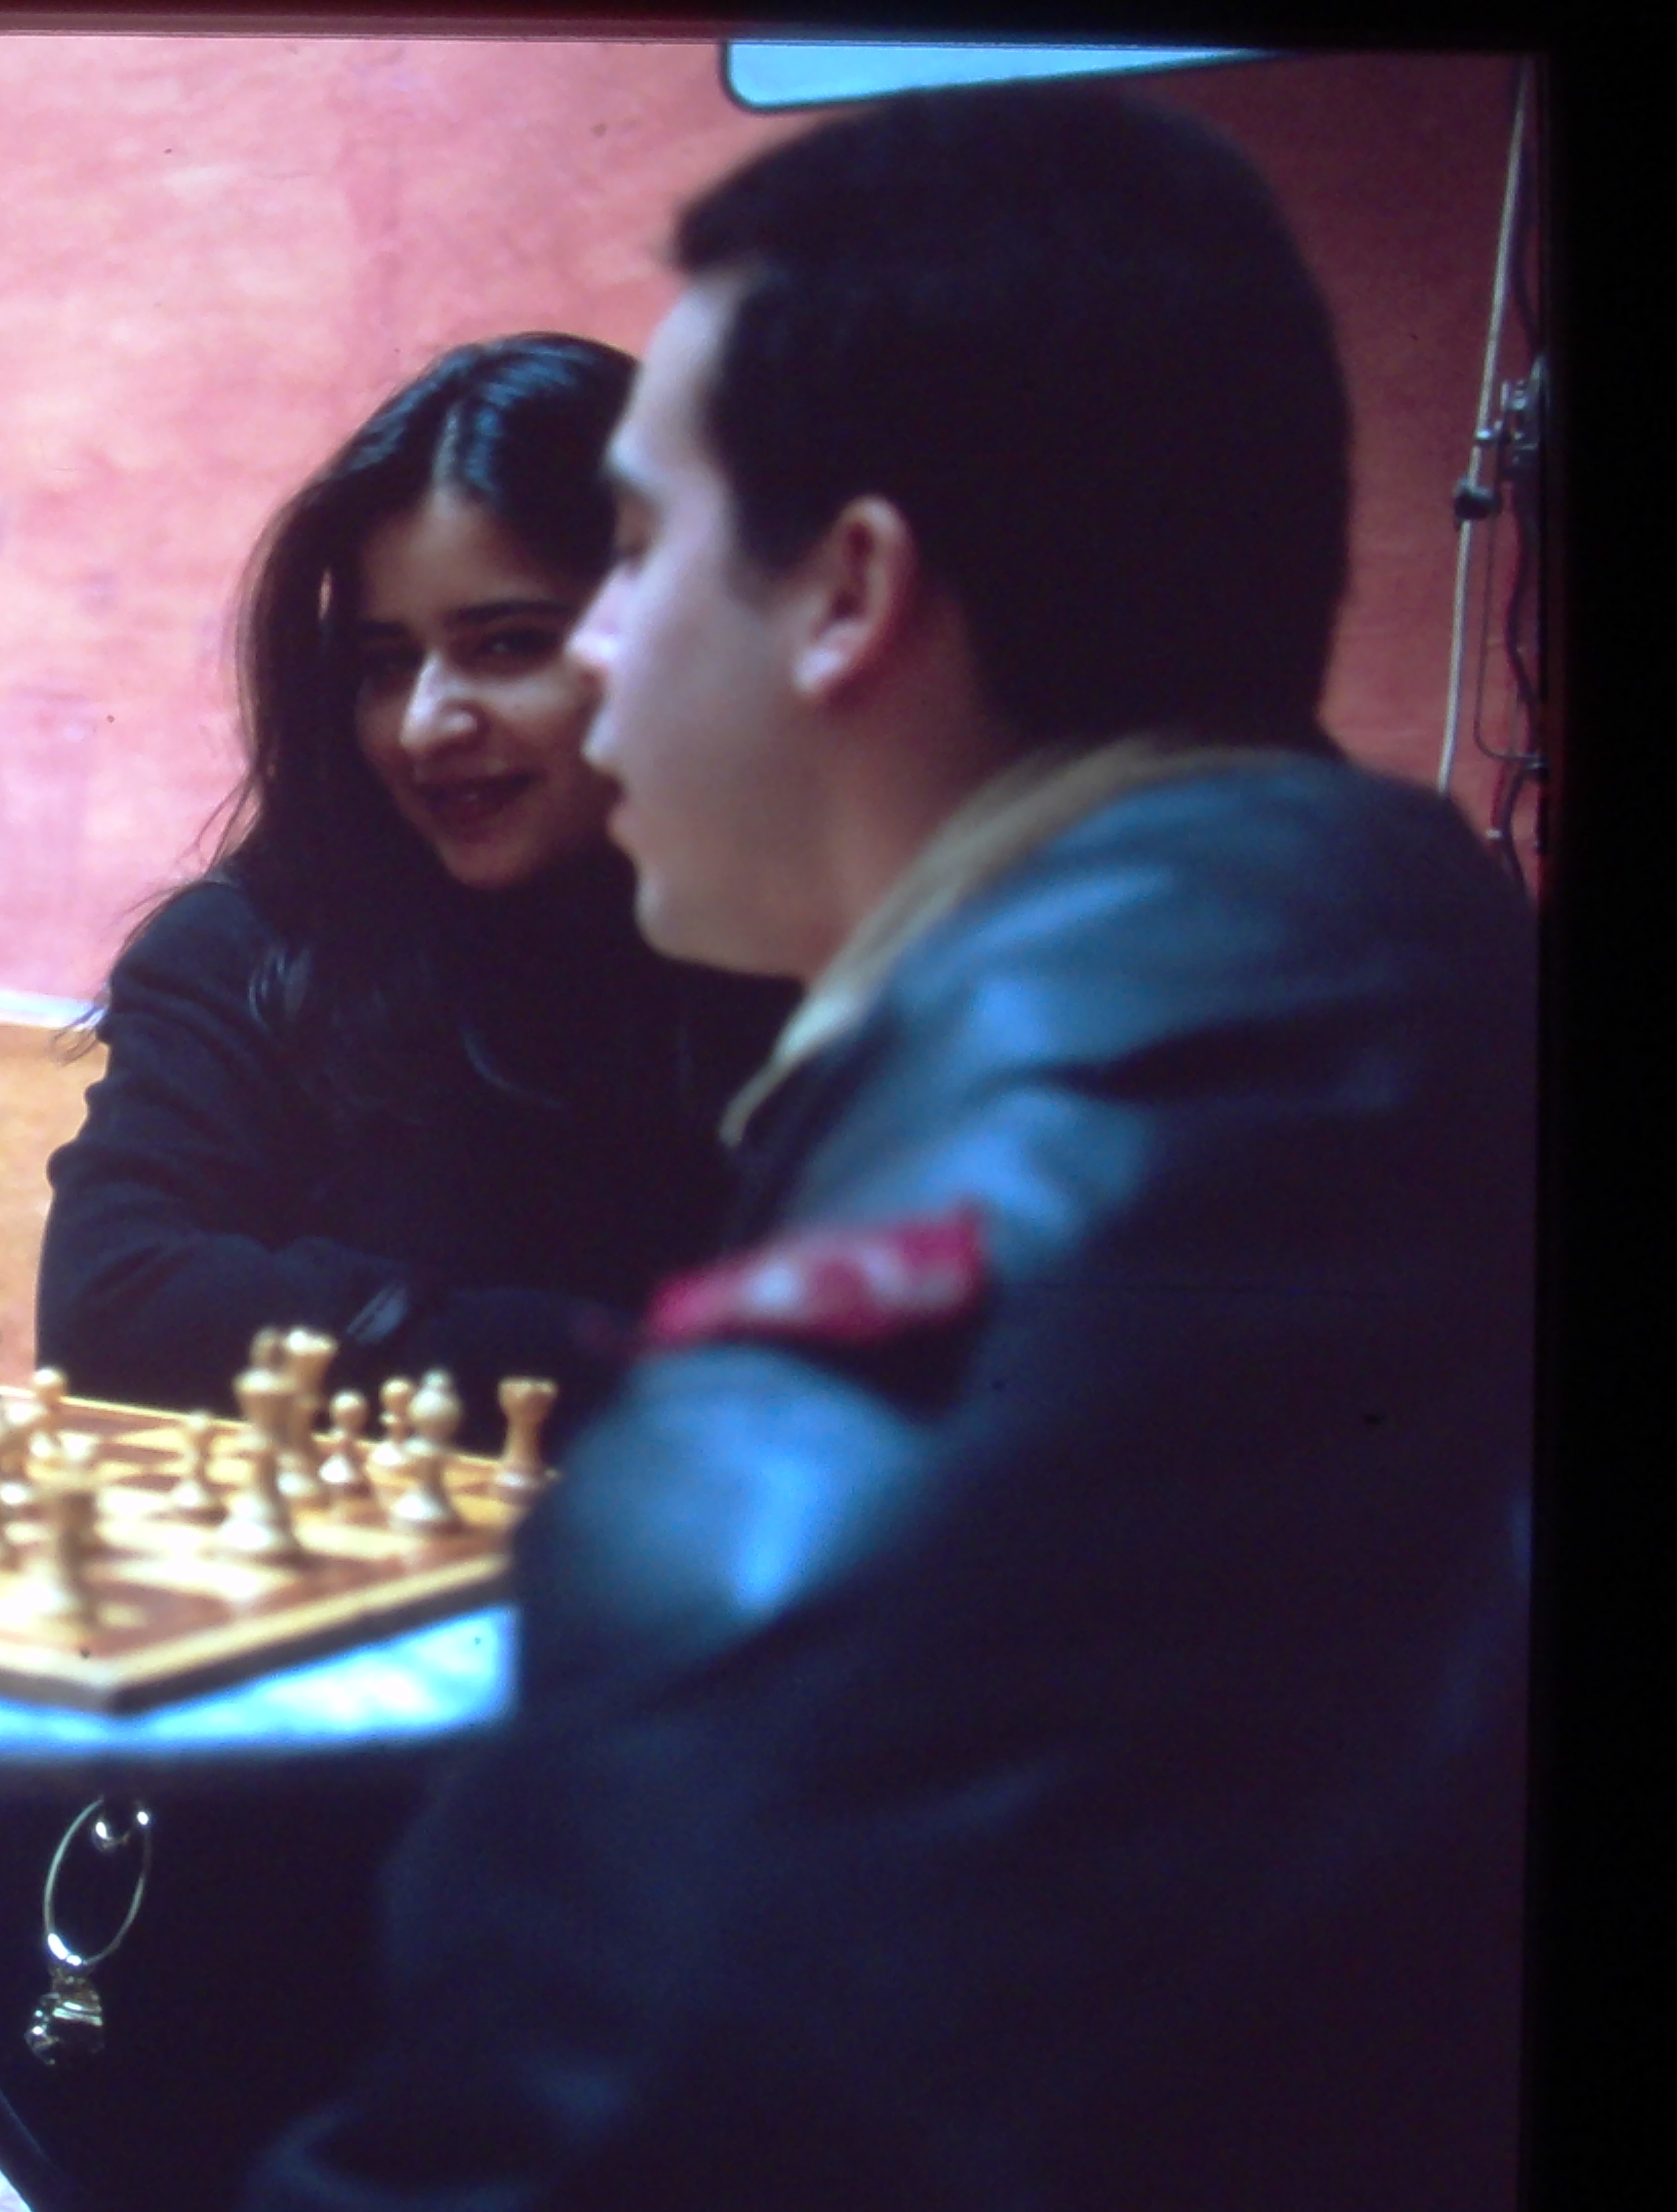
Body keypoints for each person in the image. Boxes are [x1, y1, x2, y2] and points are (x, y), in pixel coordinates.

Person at [244, 82, 1530, 2212]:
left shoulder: (847, 1433)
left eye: (635, 553)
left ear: (848, 595)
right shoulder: (1389, 935)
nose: (602, 651)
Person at [0, 337, 791, 2212]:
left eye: (506, 640)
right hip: (289, 1787)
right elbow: (127, 1303)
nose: (429, 722)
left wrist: (365, 1320)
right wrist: (585, 1355)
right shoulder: (255, 945)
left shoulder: (774, 948)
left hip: (665, 1770)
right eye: (385, 661)